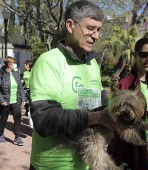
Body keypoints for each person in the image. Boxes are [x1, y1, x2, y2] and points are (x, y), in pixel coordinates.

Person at [29, 1, 116, 169]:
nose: (96, 35)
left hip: (86, 165)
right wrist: (96, 118)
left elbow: (102, 104)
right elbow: (44, 119)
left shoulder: (93, 65)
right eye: (90, 28)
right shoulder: (49, 61)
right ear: (70, 25)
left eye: (98, 30)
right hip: (51, 166)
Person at [107, 38, 148, 170]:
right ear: (135, 55)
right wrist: (117, 159)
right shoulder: (125, 84)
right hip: (132, 154)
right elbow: (114, 124)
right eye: (143, 54)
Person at [0, 56, 26, 145]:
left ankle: (17, 137)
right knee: (3, 120)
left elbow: (20, 87)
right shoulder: (1, 74)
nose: (15, 65)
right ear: (9, 64)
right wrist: (1, 100)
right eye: (14, 63)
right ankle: (1, 135)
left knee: (17, 119)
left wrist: (23, 98)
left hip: (16, 101)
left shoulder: (16, 73)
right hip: (5, 102)